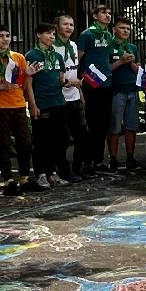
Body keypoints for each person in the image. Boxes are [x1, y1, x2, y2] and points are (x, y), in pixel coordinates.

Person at [0, 27, 37, 190]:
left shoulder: (18, 57)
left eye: (7, 36)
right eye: (0, 36)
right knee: (4, 143)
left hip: (19, 104)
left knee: (25, 143)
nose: (5, 39)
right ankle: (7, 179)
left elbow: (24, 85)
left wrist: (28, 74)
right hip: (1, 106)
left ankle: (24, 177)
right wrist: (0, 87)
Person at [25, 22, 71, 187]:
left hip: (58, 101)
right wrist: (32, 104)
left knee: (58, 140)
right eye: (48, 33)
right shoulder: (32, 55)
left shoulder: (57, 56)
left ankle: (52, 172)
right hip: (42, 103)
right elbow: (28, 83)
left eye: (53, 34)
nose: (51, 37)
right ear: (38, 35)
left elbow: (61, 78)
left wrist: (66, 82)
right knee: (41, 140)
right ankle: (40, 173)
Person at [77, 4, 118, 173]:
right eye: (103, 12)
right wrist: (80, 79)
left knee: (104, 124)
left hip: (107, 83)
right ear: (94, 15)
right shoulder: (87, 35)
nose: (107, 15)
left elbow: (107, 60)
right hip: (91, 84)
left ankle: (99, 160)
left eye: (109, 13)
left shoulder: (108, 35)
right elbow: (78, 58)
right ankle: (88, 161)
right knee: (92, 123)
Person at [54, 13, 89, 181]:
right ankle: (64, 171)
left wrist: (79, 92)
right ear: (57, 26)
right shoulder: (53, 47)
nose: (69, 27)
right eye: (65, 24)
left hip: (74, 95)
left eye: (71, 24)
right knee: (61, 138)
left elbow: (75, 70)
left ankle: (78, 168)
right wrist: (67, 82)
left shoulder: (74, 46)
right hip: (59, 98)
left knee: (82, 135)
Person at [108, 16, 143, 171]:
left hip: (132, 90)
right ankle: (113, 159)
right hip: (116, 90)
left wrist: (132, 64)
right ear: (114, 29)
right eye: (122, 28)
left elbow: (139, 71)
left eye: (128, 29)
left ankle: (130, 157)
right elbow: (106, 68)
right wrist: (121, 61)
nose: (125, 31)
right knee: (115, 127)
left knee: (132, 126)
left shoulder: (133, 47)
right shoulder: (108, 46)